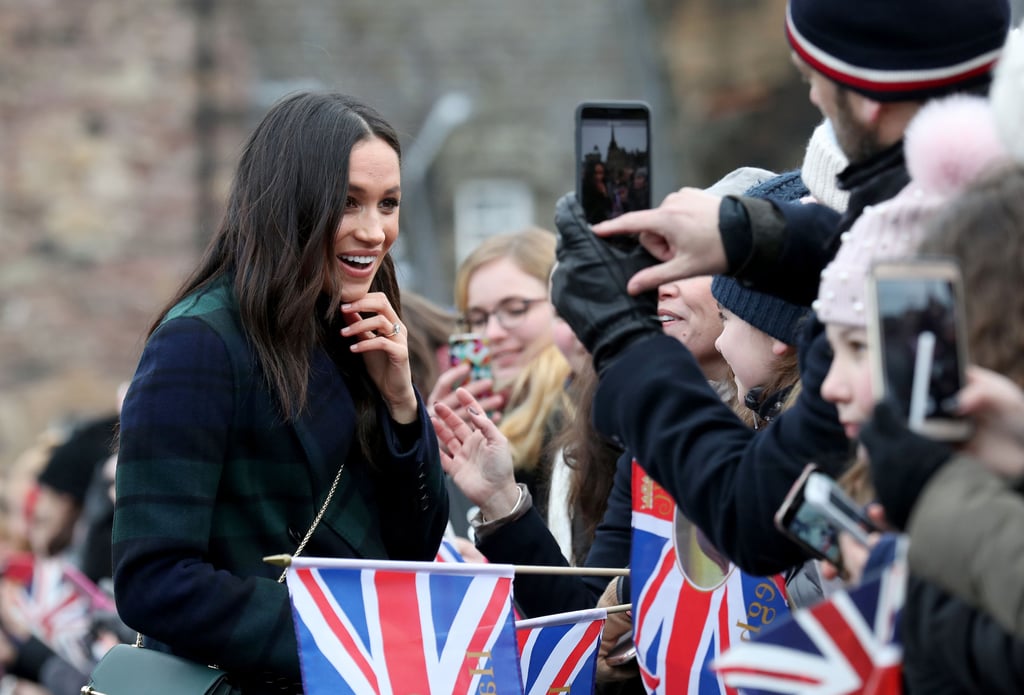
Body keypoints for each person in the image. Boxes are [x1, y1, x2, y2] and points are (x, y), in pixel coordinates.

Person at [549, 0, 1011, 575]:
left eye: (814, 79)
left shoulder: (921, 278)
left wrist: (625, 339)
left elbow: (758, 513)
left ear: (867, 97)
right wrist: (744, 235)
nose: (814, 99)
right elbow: (881, 233)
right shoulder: (972, 216)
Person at [111, 91, 447, 694]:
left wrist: (402, 407)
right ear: (290, 206)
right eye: (348, 204)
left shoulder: (359, 334)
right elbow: (154, 579)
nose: (374, 231)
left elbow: (411, 551)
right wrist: (340, 638)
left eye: (389, 204)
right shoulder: (197, 343)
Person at [429, 228, 573, 521]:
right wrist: (429, 449)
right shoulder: (489, 412)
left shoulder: (580, 407)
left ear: (564, 303)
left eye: (515, 309)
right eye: (478, 319)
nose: (492, 333)